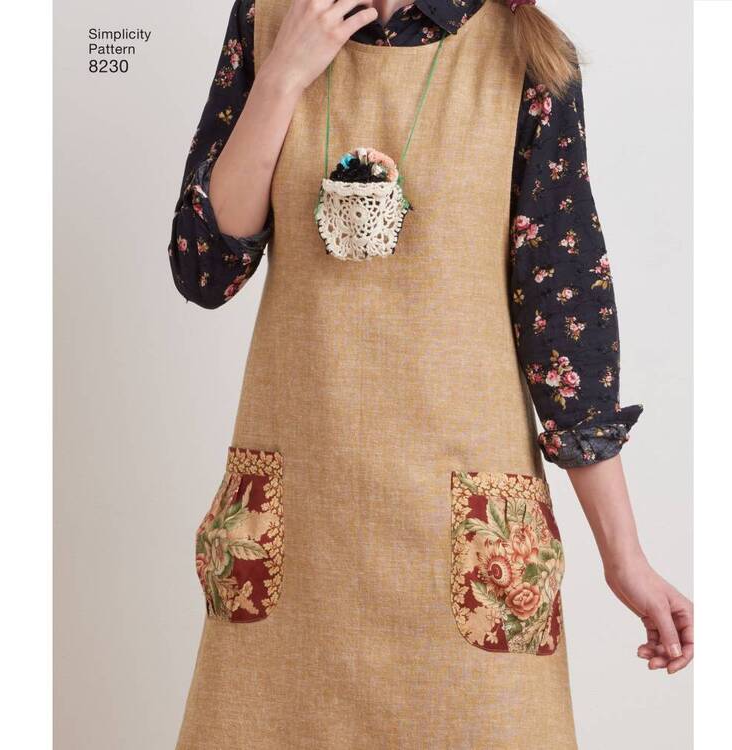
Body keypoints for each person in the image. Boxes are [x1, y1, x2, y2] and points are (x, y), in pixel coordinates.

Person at [168, 1, 693, 747]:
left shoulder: (529, 58)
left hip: (470, 554)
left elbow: (564, 329)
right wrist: (282, 76)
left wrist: (625, 558)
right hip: (298, 547)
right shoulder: (268, 19)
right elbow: (205, 268)